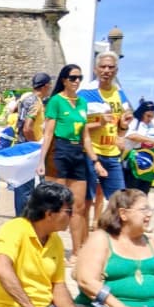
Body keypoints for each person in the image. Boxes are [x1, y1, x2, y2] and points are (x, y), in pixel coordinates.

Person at [37, 64, 105, 257]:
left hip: (77, 152)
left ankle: (77, 252)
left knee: (79, 206)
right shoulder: (56, 101)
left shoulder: (82, 103)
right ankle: (46, 246)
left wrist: (95, 160)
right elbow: (48, 132)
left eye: (79, 78)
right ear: (64, 79)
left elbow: (86, 136)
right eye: (73, 77)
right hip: (58, 150)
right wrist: (41, 160)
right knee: (55, 203)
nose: (77, 81)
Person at [80, 51, 130, 219]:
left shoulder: (119, 93)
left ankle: (110, 240)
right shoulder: (85, 93)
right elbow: (77, 127)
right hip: (91, 153)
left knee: (120, 203)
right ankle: (83, 243)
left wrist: (123, 127)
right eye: (103, 67)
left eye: (111, 67)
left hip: (112, 153)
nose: (106, 70)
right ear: (95, 69)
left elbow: (121, 128)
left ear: (116, 70)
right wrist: (99, 123)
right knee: (86, 203)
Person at [13, 72, 53, 216]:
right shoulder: (36, 102)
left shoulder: (26, 98)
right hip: (29, 149)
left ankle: (21, 217)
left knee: (21, 187)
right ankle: (25, 219)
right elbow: (27, 127)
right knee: (28, 189)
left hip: (20, 145)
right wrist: (35, 144)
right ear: (46, 86)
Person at [122, 100, 154, 194]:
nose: (150, 119)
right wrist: (150, 140)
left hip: (148, 162)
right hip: (132, 159)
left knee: (144, 192)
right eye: (148, 116)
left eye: (152, 116)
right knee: (131, 191)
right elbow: (131, 135)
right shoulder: (134, 122)